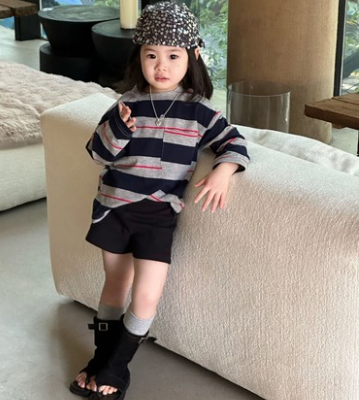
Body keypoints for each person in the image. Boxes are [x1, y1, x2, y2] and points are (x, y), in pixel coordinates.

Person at [70, 2, 250, 399]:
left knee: (147, 295)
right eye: (151, 55)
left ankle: (117, 366)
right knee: (115, 286)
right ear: (139, 57)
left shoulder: (200, 112)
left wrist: (223, 172)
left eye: (173, 56)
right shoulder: (126, 104)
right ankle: (100, 361)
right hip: (114, 208)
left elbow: (235, 143)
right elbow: (97, 153)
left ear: (193, 56)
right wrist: (118, 128)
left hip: (158, 216)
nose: (161, 66)